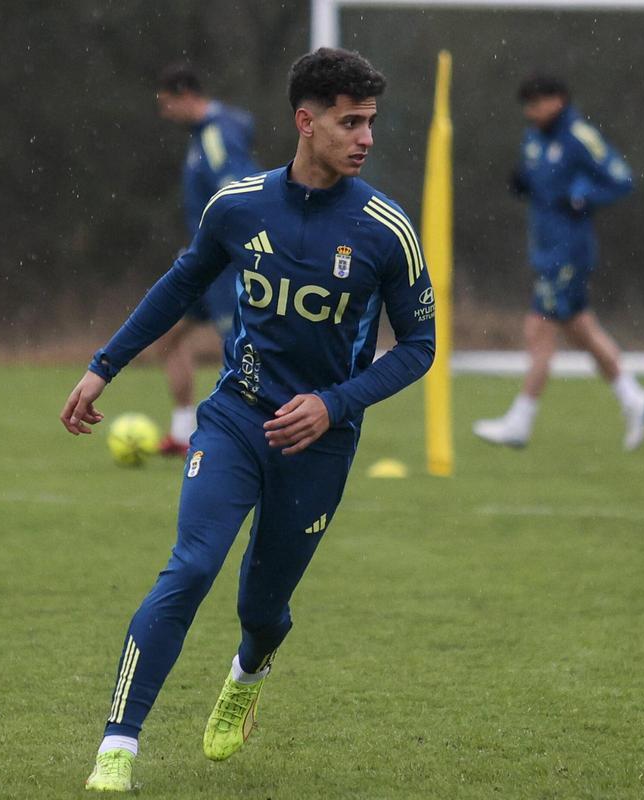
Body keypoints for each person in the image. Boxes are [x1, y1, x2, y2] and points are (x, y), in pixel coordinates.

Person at [62, 48, 435, 792]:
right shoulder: (237, 204)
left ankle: (248, 671)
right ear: (306, 121)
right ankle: (119, 743)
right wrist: (103, 364)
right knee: (192, 564)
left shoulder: (384, 229)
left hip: (321, 445)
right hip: (236, 417)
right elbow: (179, 287)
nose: (366, 138)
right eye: (350, 122)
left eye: (371, 124)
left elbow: (420, 347)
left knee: (262, 609)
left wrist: (335, 403)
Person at [472, 73, 644, 451]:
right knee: (580, 330)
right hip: (546, 248)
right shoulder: (534, 137)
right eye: (527, 105)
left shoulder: (579, 136)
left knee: (538, 329)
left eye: (537, 103)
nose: (530, 111)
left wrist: (582, 195)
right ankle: (633, 396)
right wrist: (524, 183)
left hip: (569, 253)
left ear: (558, 100)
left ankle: (519, 423)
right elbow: (539, 181)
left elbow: (621, 179)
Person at [154, 63, 258, 455]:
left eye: (167, 104)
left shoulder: (217, 134)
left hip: (228, 263)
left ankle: (251, 434)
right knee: (166, 334)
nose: (165, 113)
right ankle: (183, 432)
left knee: (242, 349)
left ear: (185, 95)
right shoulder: (202, 135)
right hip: (203, 261)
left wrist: (239, 251)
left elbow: (238, 189)